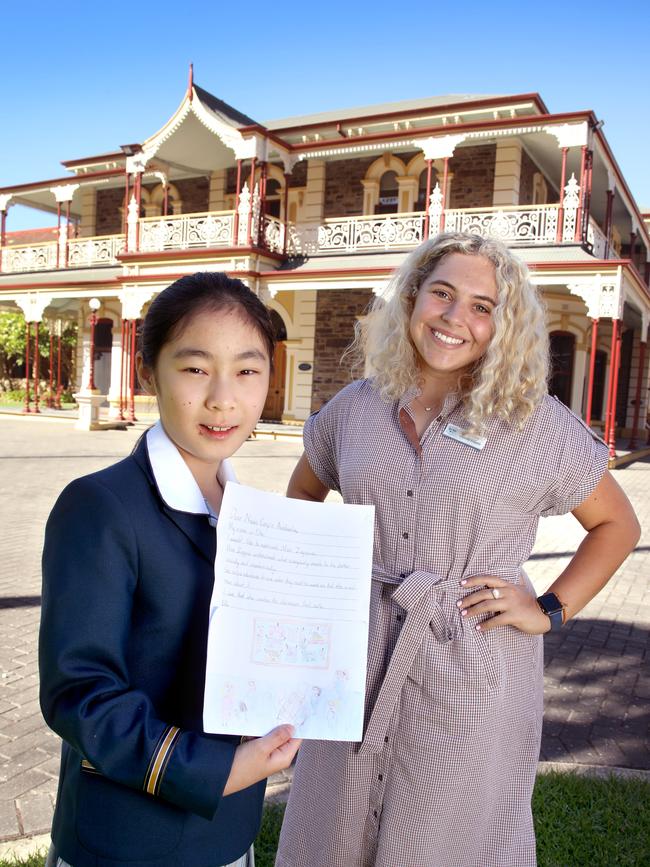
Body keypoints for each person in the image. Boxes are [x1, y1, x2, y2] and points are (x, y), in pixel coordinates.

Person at [275, 233, 640, 867]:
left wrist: (549, 609)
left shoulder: (536, 422)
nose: (455, 319)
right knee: (332, 827)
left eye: (482, 306)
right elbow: (303, 494)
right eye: (442, 294)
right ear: (413, 297)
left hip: (474, 673)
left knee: (449, 836)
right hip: (352, 659)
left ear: (506, 324)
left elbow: (618, 525)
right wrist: (323, 587)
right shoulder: (355, 409)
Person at [39, 272, 301, 867]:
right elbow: (80, 694)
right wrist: (218, 769)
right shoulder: (101, 507)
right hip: (126, 839)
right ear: (148, 372)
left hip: (227, 832)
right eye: (195, 368)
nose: (223, 399)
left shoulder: (251, 516)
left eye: (247, 369)